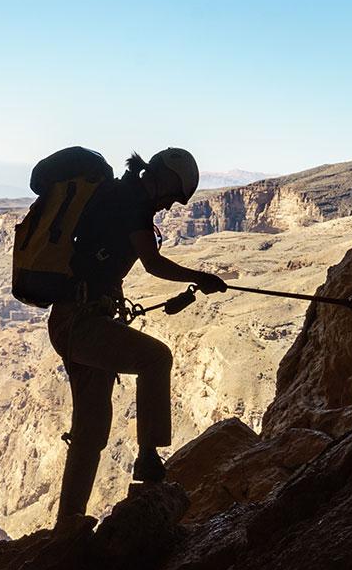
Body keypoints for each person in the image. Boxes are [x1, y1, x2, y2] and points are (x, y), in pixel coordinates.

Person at [49, 147, 227, 525]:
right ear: (161, 176)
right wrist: (201, 277)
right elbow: (153, 262)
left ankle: (67, 525)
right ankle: (149, 455)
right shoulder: (133, 201)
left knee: (91, 432)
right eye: (171, 195)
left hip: (77, 321)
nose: (167, 206)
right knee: (156, 358)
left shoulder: (120, 193)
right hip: (82, 323)